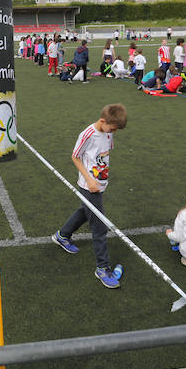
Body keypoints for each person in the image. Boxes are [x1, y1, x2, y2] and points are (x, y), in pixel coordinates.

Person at [52, 103, 128, 288]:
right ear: (103, 121)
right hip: (89, 185)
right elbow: (75, 157)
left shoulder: (108, 133)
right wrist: (90, 179)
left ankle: (63, 235)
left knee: (85, 211)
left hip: (100, 183)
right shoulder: (88, 134)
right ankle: (102, 268)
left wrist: (101, 178)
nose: (113, 132)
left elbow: (104, 155)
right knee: (99, 226)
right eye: (112, 128)